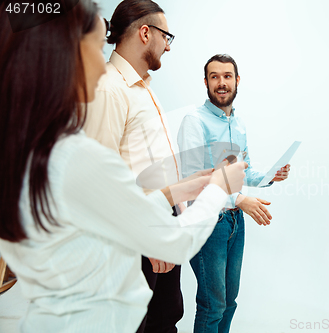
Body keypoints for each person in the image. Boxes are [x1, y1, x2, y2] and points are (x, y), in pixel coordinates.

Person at [0, 1, 247, 332]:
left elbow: (106, 190)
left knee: (166, 318)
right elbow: (111, 195)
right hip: (127, 252)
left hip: (135, 235)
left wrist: (180, 190)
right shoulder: (94, 114)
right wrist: (219, 187)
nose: (103, 65)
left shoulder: (39, 149)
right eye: (97, 48)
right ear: (65, 56)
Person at [83, 1, 183, 332]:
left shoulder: (144, 88)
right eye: (166, 36)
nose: (168, 46)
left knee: (167, 316)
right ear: (145, 33)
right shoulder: (110, 88)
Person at [177, 54, 290, 333]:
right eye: (214, 77)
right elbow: (190, 182)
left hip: (234, 224)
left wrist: (269, 177)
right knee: (212, 306)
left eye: (227, 76)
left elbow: (243, 173)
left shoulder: (238, 125)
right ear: (205, 82)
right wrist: (239, 199)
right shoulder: (194, 121)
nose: (221, 83)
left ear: (237, 81)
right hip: (207, 224)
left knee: (229, 303)